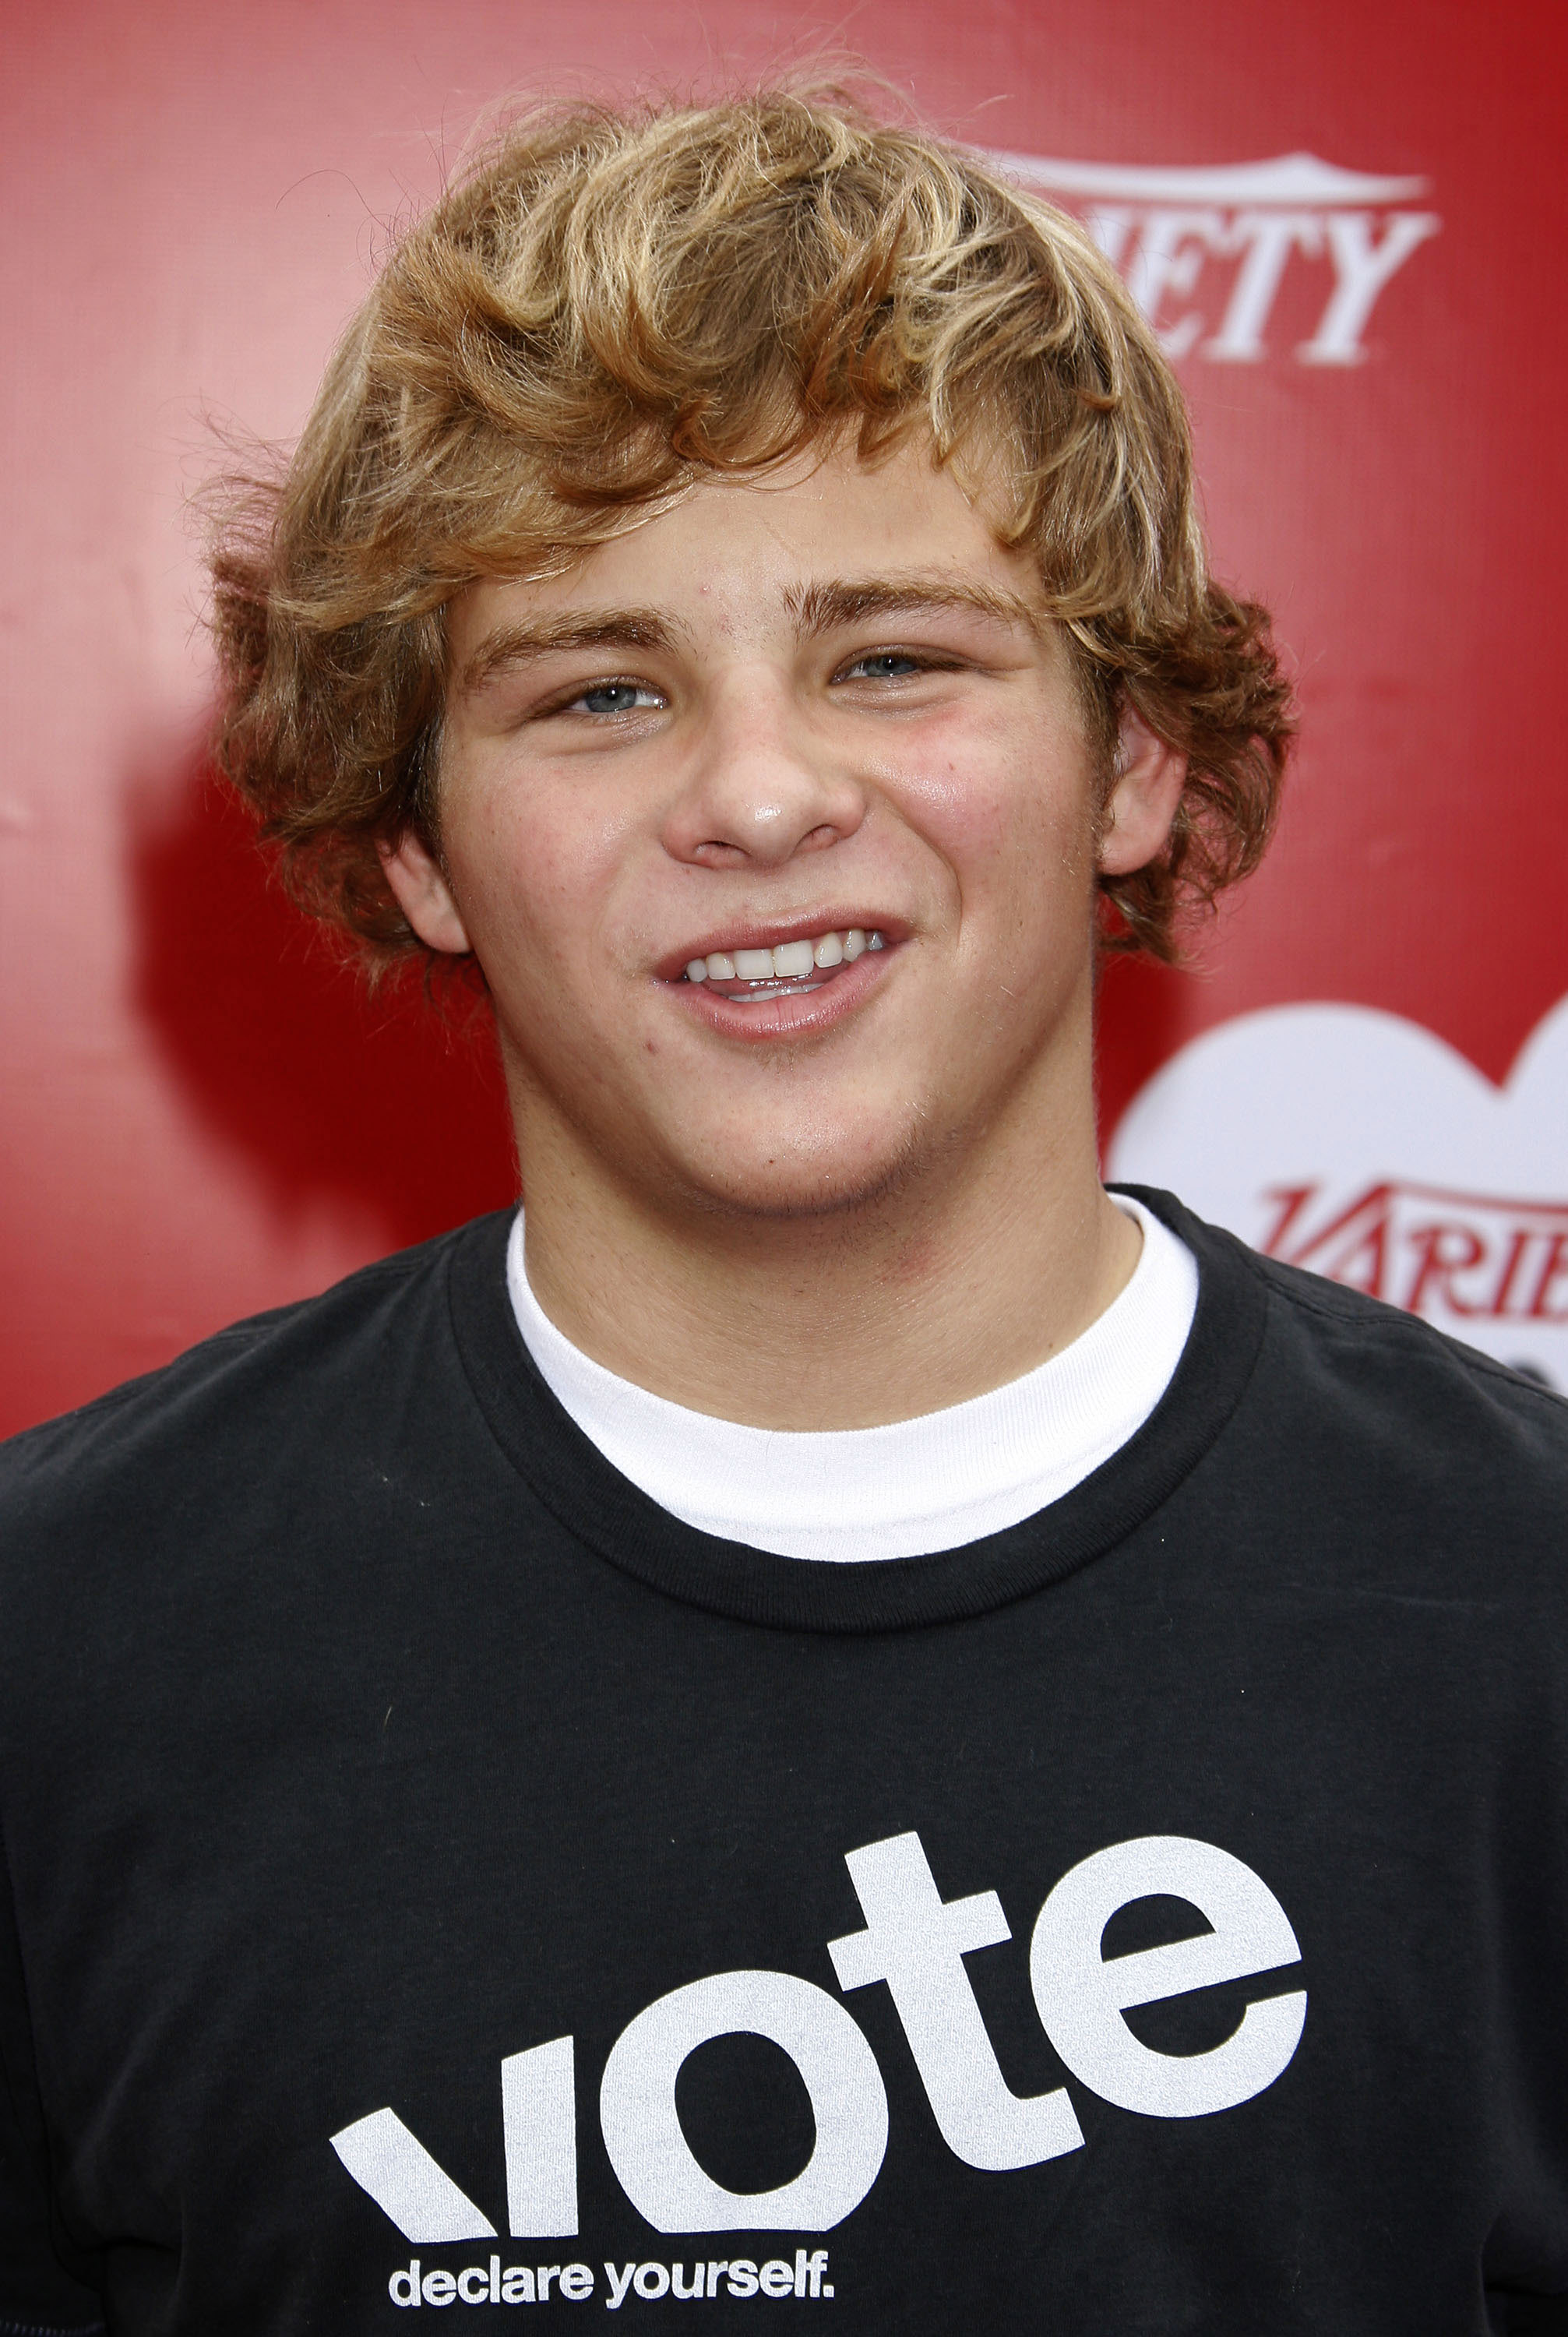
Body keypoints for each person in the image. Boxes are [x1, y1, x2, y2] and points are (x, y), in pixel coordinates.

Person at [2, 85, 1566, 2337]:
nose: (754, 796)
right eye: (602, 690)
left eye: (894, 658)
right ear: (417, 845)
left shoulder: (1528, 1611)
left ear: (1131, 761)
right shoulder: (58, 1652)